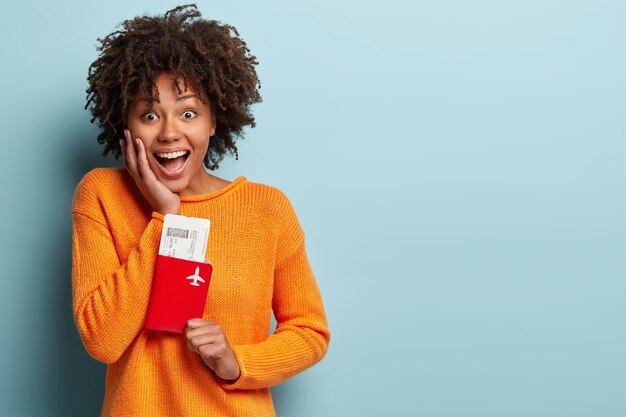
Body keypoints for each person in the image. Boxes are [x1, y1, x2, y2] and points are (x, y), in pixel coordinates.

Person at [71, 4, 330, 416]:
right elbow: (102, 340)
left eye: (189, 112)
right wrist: (166, 218)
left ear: (214, 120)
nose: (170, 132)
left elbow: (310, 331)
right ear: (126, 123)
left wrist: (237, 362)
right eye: (150, 114)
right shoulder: (102, 195)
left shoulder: (267, 209)